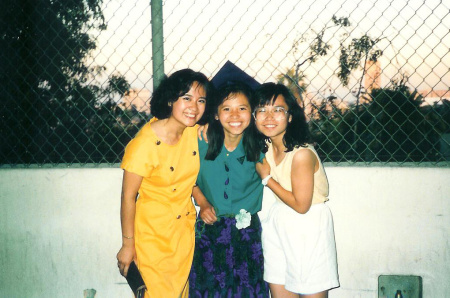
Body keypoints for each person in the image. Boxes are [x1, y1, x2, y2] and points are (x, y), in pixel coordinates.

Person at [116, 69, 213, 298]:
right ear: (170, 100)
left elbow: (185, 181)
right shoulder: (144, 145)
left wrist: (203, 202)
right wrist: (127, 245)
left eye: (201, 100)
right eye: (186, 98)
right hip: (153, 237)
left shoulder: (193, 132)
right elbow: (128, 197)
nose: (194, 106)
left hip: (183, 234)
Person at [254, 83, 339, 298]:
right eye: (262, 110)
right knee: (279, 287)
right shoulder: (265, 145)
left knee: (311, 291)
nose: (269, 117)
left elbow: (302, 206)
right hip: (279, 218)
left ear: (290, 117)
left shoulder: (301, 154)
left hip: (308, 225)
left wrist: (267, 178)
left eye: (278, 110)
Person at [189, 82, 270, 297]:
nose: (235, 115)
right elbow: (188, 180)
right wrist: (203, 202)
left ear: (251, 113)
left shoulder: (260, 146)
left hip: (246, 232)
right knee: (209, 289)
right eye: (226, 108)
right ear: (215, 114)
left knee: (247, 289)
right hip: (210, 226)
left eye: (242, 108)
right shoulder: (201, 142)